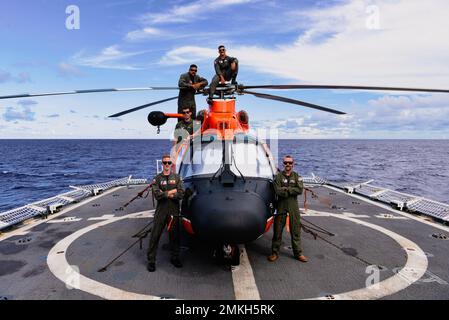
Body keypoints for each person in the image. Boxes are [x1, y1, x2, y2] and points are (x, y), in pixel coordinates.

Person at [147, 154, 185, 272]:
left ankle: (175, 257)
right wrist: (171, 192)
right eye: (165, 162)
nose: (167, 165)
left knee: (175, 236)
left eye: (169, 163)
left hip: (173, 210)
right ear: (162, 164)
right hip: (161, 211)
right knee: (155, 235)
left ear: (171, 164)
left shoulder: (177, 177)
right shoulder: (157, 178)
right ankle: (151, 261)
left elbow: (181, 193)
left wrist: (166, 193)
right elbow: (157, 195)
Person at [268, 155, 308, 263]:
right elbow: (277, 190)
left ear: (293, 164)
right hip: (281, 205)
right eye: (286, 163)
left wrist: (286, 189)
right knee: (277, 231)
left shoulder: (297, 176)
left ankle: (298, 253)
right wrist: (290, 190)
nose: (288, 165)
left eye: (290, 163)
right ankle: (274, 252)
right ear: (283, 164)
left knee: (295, 230)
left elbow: (299, 190)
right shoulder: (278, 176)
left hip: (293, 206)